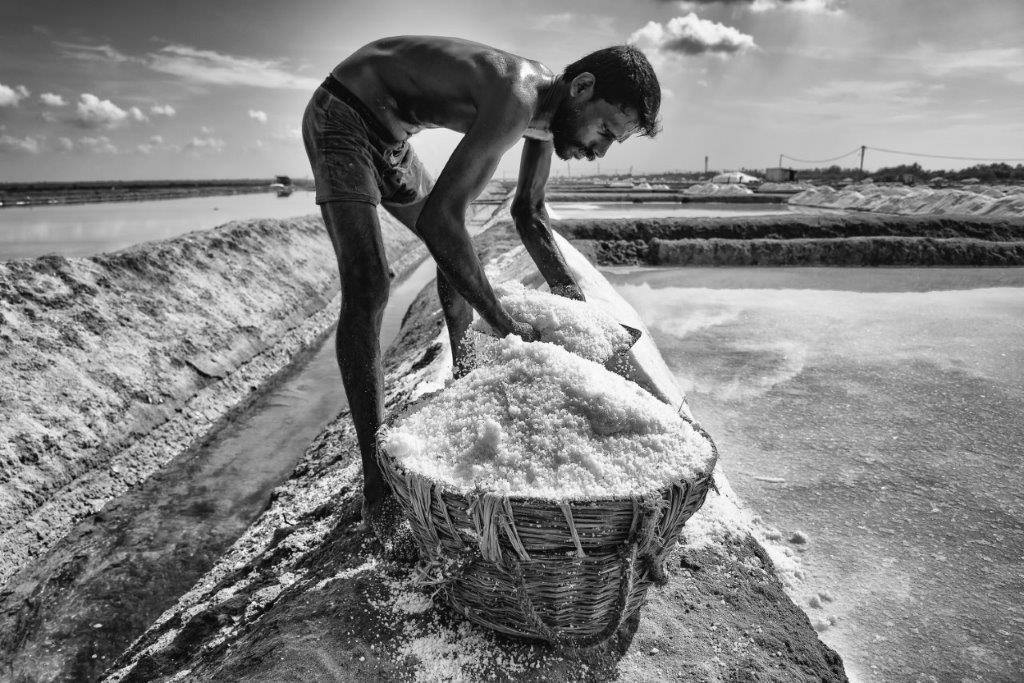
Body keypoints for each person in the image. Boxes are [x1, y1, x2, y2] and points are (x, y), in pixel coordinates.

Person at [301, 35, 661, 530]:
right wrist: (505, 324)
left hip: (392, 141)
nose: (599, 151)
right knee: (370, 285)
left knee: (457, 256)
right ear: (581, 87)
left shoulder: (545, 121)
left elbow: (530, 216)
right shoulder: (518, 98)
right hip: (343, 115)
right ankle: (376, 480)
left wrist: (578, 308)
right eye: (605, 131)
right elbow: (438, 221)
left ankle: (465, 376)